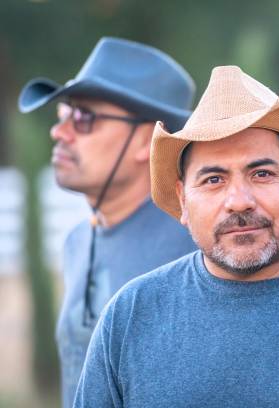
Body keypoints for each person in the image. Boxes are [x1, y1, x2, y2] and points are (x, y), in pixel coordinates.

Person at [73, 65, 279, 407]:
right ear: (184, 200)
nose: (239, 201)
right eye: (214, 179)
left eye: (261, 173)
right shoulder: (130, 316)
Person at [18, 37, 198, 408]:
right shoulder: (77, 242)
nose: (59, 132)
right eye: (63, 116)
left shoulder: (194, 247)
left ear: (147, 141)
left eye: (83, 118)